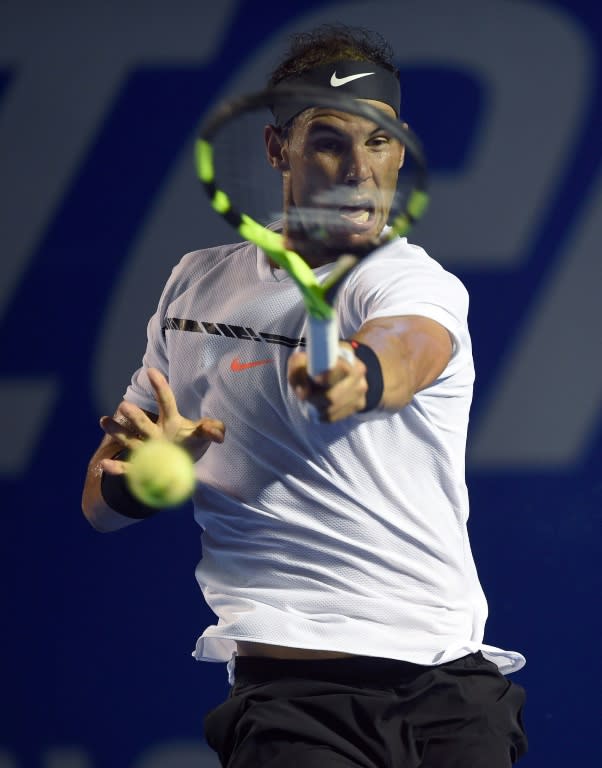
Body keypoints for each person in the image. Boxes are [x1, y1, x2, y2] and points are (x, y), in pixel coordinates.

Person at [82, 23, 528, 768]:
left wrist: (366, 377)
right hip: (292, 697)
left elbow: (412, 342)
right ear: (276, 148)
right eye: (328, 139)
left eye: (379, 141)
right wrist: (142, 477)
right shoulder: (196, 285)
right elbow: (98, 504)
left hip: (452, 689)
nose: (358, 167)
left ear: (402, 147)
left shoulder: (409, 280)